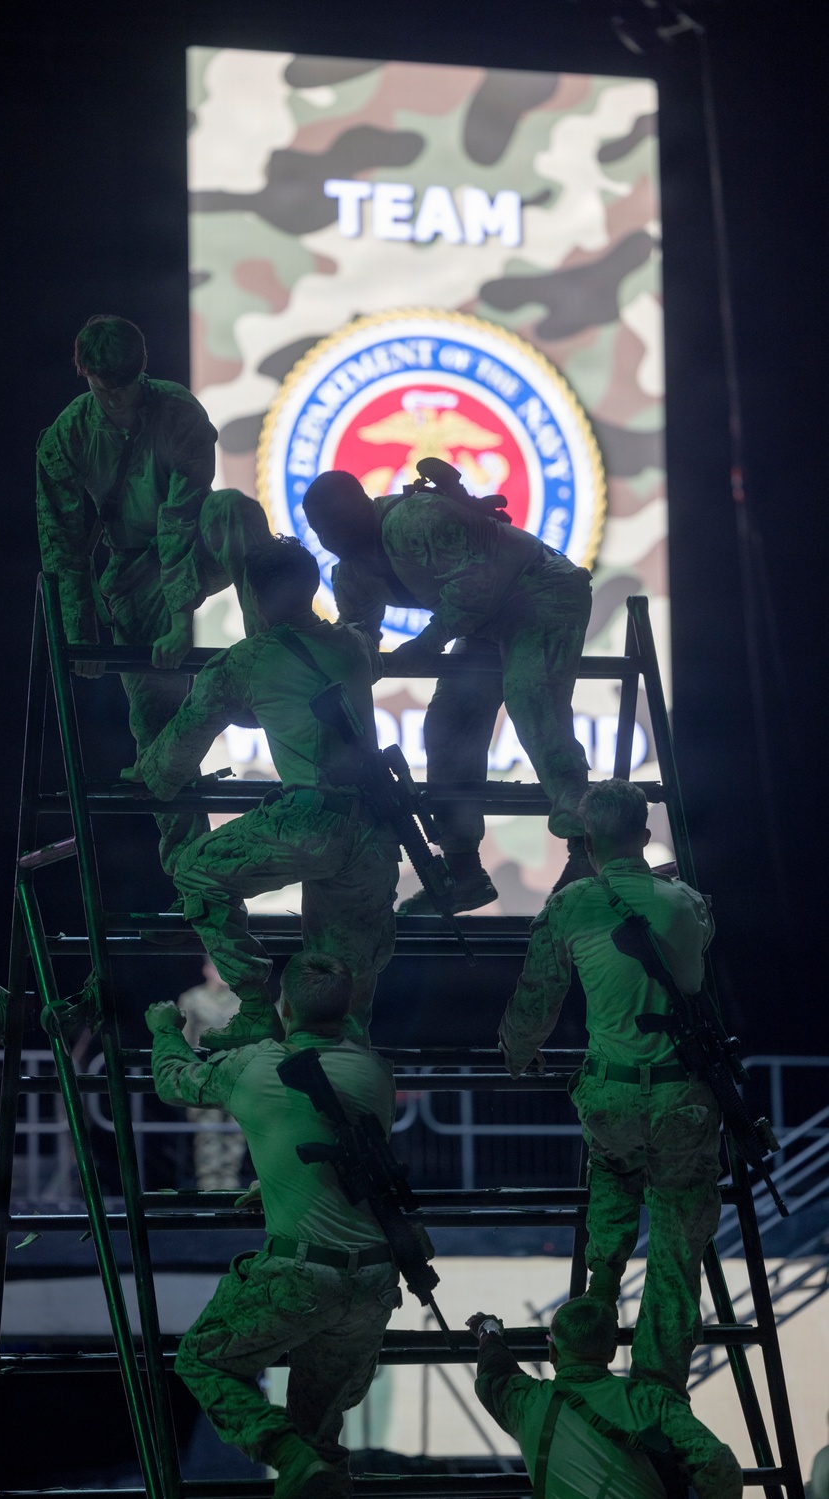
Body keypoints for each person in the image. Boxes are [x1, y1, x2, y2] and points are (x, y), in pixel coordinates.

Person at [146, 951, 403, 1499]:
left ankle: (282, 1452)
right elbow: (341, 1145)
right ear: (347, 1009)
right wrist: (277, 1180)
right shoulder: (377, 1069)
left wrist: (166, 1030)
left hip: (302, 1274)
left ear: (284, 1007)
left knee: (202, 1360)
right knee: (322, 1434)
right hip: (377, 1280)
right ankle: (309, 1467)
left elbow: (173, 1082)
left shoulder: (256, 1064)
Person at [498, 778, 719, 1396]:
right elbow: (692, 946)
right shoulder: (688, 903)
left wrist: (517, 1054)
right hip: (683, 1102)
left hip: (612, 1101)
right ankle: (659, 1397)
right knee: (678, 1258)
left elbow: (534, 1001)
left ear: (586, 842)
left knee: (610, 1200)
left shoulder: (570, 907)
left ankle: (591, 1332)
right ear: (646, 838)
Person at [135, 537, 400, 1050]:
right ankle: (347, 1093)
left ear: (251, 597)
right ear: (313, 587)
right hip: (371, 831)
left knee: (196, 871)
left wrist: (143, 765)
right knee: (341, 999)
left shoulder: (243, 662)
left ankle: (255, 1008)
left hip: (306, 825)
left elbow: (168, 769)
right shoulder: (354, 646)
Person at [36, 314, 271, 874]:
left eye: (124, 386)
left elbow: (180, 517)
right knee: (157, 726)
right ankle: (192, 877)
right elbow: (62, 545)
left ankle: (271, 646)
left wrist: (179, 616)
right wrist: (80, 634)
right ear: (85, 375)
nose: (115, 401)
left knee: (233, 510)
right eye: (103, 388)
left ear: (142, 371)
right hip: (131, 573)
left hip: (192, 546)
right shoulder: (65, 438)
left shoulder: (178, 411)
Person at [302, 467, 594, 911]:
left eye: (338, 524)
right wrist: (330, 662)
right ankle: (462, 869)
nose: (332, 538)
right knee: (447, 726)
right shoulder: (354, 574)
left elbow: (477, 583)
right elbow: (358, 640)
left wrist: (424, 645)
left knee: (533, 699)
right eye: (323, 531)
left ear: (363, 506)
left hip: (540, 588)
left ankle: (587, 850)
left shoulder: (416, 521)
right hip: (485, 617)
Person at [468, 1296, 742, 1498]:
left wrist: (488, 1331)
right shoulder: (650, 1401)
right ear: (611, 1353)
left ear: (553, 1354)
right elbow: (717, 1462)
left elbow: (494, 1377)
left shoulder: (527, 1404)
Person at [176, 961, 248, 1190]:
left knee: (235, 1135)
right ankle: (210, 1189)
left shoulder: (242, 1001)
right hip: (204, 1075)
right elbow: (183, 1040)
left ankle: (229, 1188)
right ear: (206, 970)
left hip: (237, 1076)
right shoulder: (193, 999)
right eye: (217, 968)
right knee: (208, 1136)